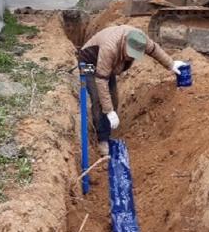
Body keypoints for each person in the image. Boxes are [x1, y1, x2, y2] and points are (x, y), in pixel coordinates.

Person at [78, 24, 186, 156]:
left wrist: (171, 64)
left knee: (113, 99)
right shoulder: (110, 48)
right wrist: (109, 110)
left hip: (107, 65)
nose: (131, 57)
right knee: (100, 100)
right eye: (130, 54)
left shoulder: (140, 39)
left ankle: (107, 125)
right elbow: (101, 80)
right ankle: (102, 139)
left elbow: (154, 49)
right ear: (124, 44)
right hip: (90, 62)